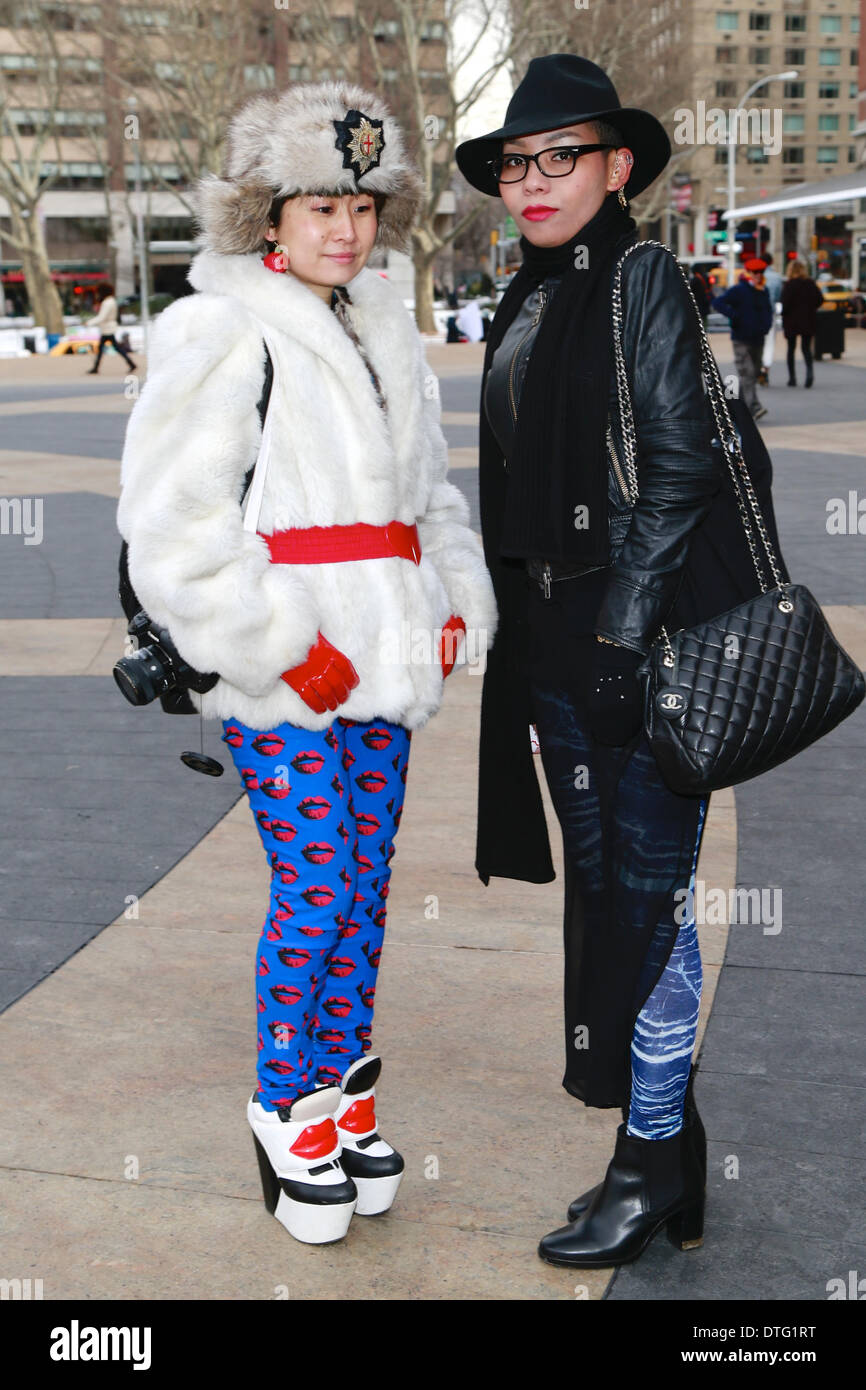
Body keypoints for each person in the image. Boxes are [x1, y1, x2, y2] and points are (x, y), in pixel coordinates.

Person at [116, 82, 497, 1246]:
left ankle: (339, 1092)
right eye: (318, 205)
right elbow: (172, 524)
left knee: (366, 889)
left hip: (385, 657)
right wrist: (280, 648)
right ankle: (284, 1107)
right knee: (318, 883)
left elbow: (424, 486)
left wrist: (446, 597)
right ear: (264, 215)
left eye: (362, 206)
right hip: (286, 664)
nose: (345, 228)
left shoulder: (382, 321)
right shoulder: (217, 326)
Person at [456, 52, 786, 1271]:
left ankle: (644, 1168)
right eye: (515, 162)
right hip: (553, 646)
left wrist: (620, 631)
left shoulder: (636, 276)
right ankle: (677, 1149)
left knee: (643, 913)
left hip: (627, 651)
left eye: (561, 158)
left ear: (616, 168)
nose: (533, 181)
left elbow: (683, 465)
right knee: (610, 904)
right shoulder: (529, 292)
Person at [712, 257, 773, 420]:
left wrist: (766, 325)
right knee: (748, 372)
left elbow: (768, 310)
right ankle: (754, 407)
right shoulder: (739, 290)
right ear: (749, 273)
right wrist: (735, 316)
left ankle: (736, 407)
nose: (758, 275)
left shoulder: (763, 290)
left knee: (752, 374)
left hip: (758, 338)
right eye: (755, 272)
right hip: (741, 338)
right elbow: (718, 302)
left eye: (761, 272)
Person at [781, 259, 824, 388]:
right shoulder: (810, 284)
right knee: (806, 349)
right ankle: (809, 373)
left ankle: (792, 378)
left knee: (791, 349)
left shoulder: (789, 285)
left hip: (792, 321)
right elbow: (820, 299)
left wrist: (784, 314)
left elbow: (785, 303)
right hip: (807, 320)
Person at [86, 284, 137, 373]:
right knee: (108, 348)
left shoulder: (107, 303)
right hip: (108, 328)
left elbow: (102, 317)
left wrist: (89, 323)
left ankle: (96, 367)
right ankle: (96, 367)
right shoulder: (111, 301)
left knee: (111, 348)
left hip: (107, 329)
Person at [758, 252, 784, 386]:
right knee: (769, 342)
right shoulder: (776, 278)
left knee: (756, 341)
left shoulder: (756, 277)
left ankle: (757, 366)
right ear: (771, 262)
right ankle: (765, 369)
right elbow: (779, 296)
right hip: (770, 313)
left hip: (756, 313)